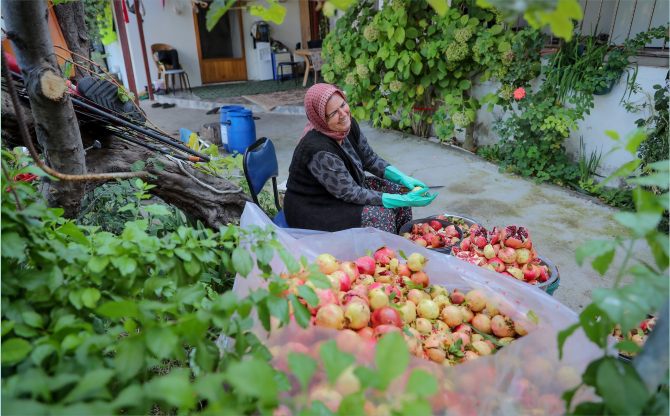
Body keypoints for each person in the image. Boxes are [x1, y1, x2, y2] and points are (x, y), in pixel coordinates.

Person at [284, 83, 437, 232]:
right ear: (321, 120)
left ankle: (402, 246)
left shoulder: (347, 127)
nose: (343, 114)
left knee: (401, 194)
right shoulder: (318, 149)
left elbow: (369, 158)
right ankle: (384, 256)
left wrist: (403, 179)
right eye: (333, 113)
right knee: (382, 216)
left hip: (343, 191)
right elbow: (351, 192)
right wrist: (401, 200)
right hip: (315, 207)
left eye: (343, 105)